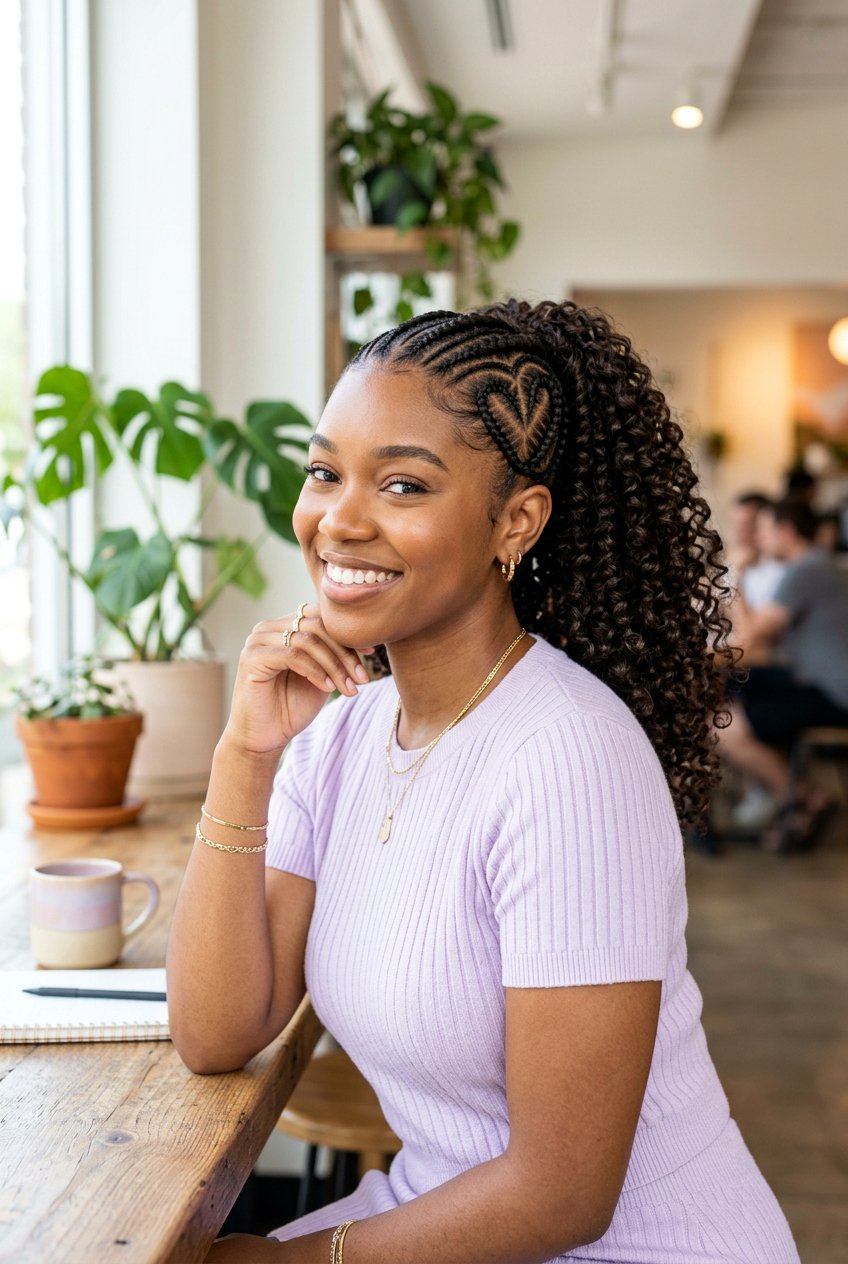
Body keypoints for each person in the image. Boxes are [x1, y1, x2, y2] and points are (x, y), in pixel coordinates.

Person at [167, 301, 800, 1263]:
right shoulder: (340, 736)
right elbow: (217, 1033)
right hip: (442, 1210)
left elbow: (564, 1193)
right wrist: (243, 757)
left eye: (403, 485)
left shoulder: (568, 758)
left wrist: (288, 1261)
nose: (340, 519)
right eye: (325, 472)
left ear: (516, 521)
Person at [720, 497, 848, 851]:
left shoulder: (805, 571)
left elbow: (748, 636)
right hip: (818, 682)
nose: (758, 538)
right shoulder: (819, 564)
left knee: (723, 727)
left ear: (786, 531)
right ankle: (789, 802)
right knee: (738, 688)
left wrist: (734, 573)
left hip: (834, 693)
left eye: (764, 530)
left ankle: (805, 799)